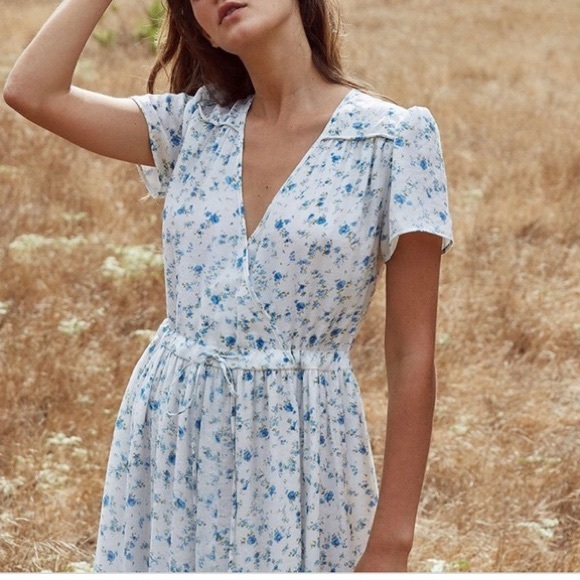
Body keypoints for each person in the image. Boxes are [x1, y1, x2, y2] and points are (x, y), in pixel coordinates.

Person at [4, 0, 453, 573]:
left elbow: (412, 353)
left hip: (301, 457)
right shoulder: (191, 126)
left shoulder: (393, 140)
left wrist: (392, 541)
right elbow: (33, 91)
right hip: (173, 442)